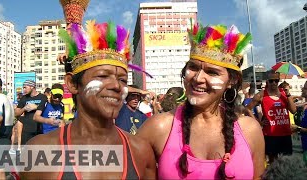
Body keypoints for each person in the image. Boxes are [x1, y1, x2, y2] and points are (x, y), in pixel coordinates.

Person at [20, 1, 156, 178]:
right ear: (72, 84)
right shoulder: (38, 152)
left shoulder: (141, 151)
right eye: (102, 76)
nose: (116, 85)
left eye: (122, 79)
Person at [137, 23, 265, 179]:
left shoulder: (250, 130)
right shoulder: (159, 127)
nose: (198, 78)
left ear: (231, 81)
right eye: (193, 67)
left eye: (212, 72)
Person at [246, 71, 296, 163]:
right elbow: (247, 109)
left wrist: (288, 94)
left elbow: (293, 110)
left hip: (285, 134)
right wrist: (258, 122)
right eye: (271, 81)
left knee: (287, 162)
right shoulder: (261, 95)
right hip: (270, 135)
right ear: (267, 81)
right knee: (273, 162)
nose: (274, 83)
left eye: (276, 81)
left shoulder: (284, 93)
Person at [14, 80, 47, 145]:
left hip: (39, 129)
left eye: (25, 87)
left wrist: (36, 107)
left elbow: (46, 109)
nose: (23, 90)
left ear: (32, 87)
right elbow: (16, 113)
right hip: (26, 131)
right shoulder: (24, 98)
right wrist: (24, 108)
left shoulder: (42, 97)